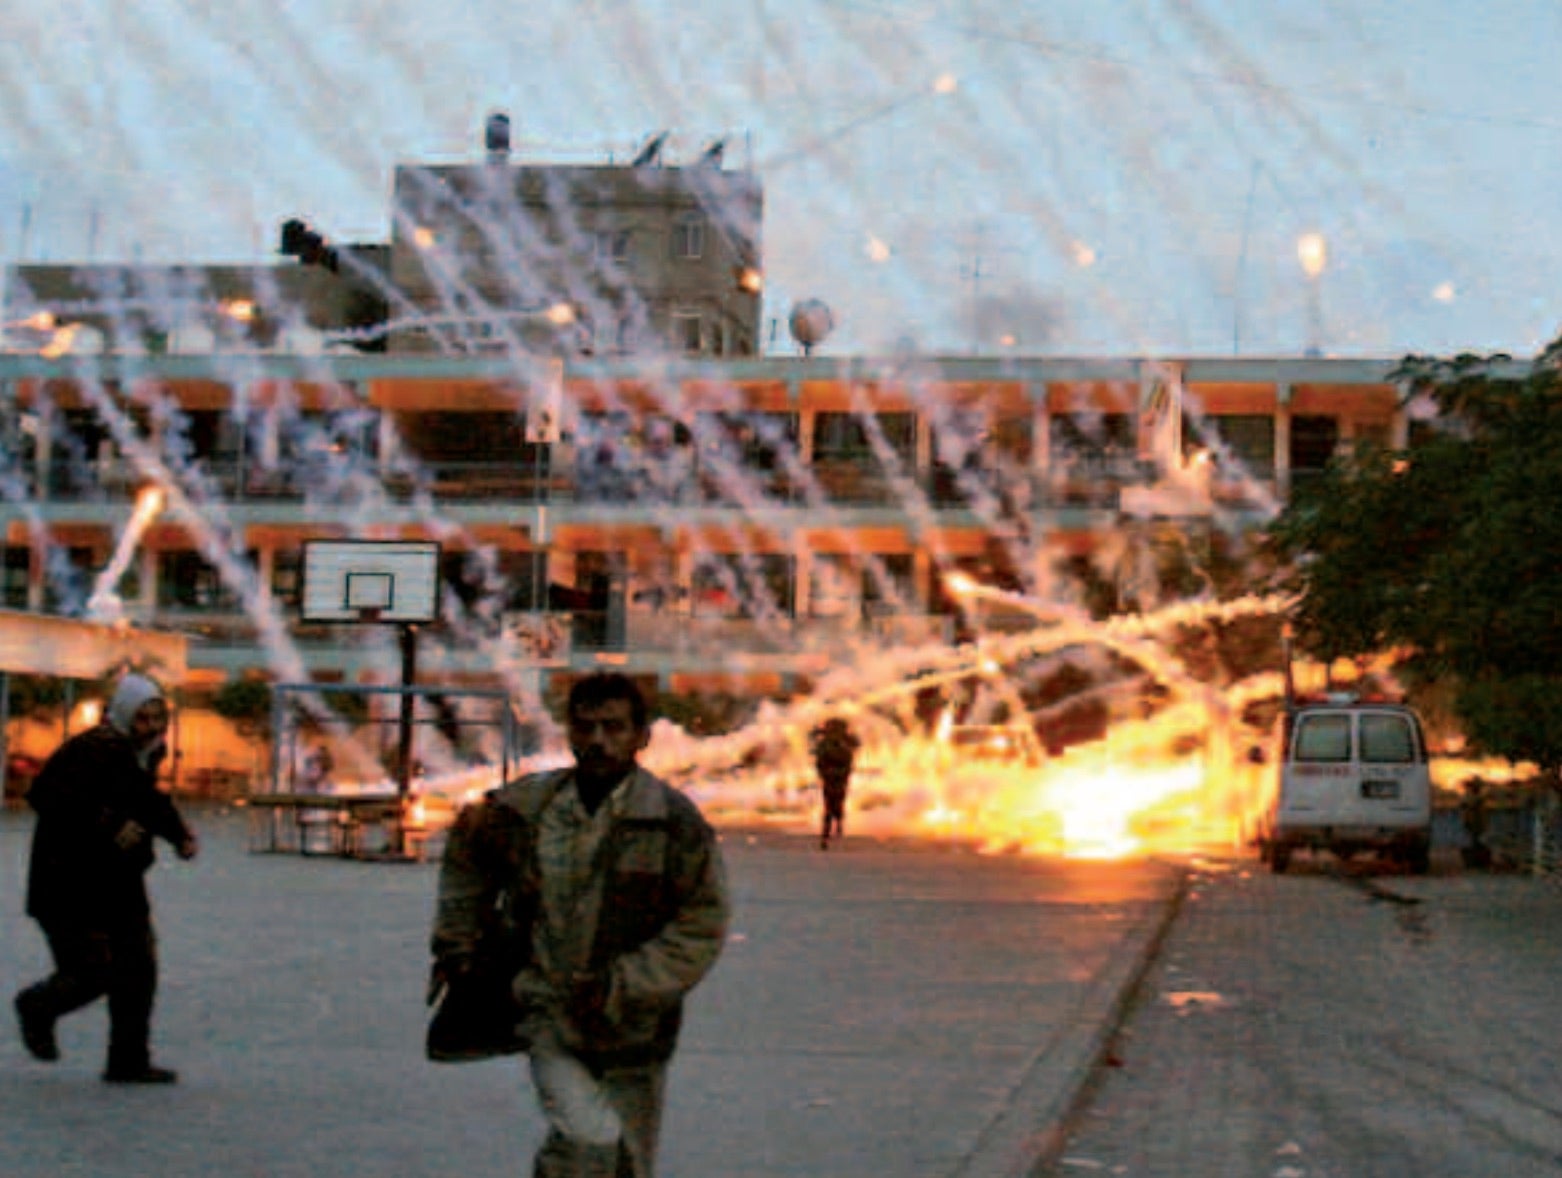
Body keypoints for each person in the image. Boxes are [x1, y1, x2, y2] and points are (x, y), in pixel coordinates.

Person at [431, 672, 728, 1178]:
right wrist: (459, 941)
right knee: (589, 1140)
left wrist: (625, 983)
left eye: (613, 728)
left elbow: (702, 923)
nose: (598, 741)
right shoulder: (527, 808)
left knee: (626, 1163)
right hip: (547, 1011)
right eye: (586, 727)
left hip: (632, 1029)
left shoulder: (672, 824)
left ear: (641, 736)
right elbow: (467, 851)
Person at [13, 672, 199, 1084]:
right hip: (66, 881)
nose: (152, 727)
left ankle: (128, 1060)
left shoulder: (144, 753)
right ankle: (38, 1006)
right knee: (91, 971)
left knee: (138, 966)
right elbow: (47, 796)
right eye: (143, 718)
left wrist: (178, 834)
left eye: (158, 718)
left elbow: (147, 800)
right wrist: (108, 823)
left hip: (118, 876)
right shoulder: (90, 749)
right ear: (125, 714)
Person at [810, 717, 860, 850]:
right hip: (834, 778)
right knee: (833, 804)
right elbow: (820, 761)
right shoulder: (829, 744)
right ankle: (832, 828)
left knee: (833, 804)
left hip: (836, 777)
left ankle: (832, 828)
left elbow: (819, 760)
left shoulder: (831, 743)